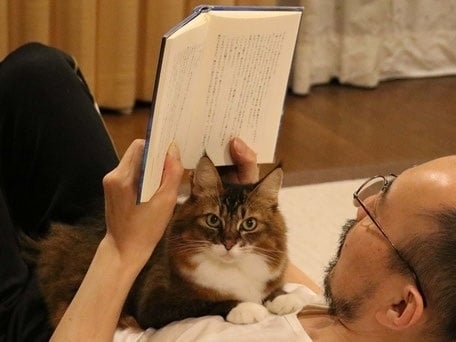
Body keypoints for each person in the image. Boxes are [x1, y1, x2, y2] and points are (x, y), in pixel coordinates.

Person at [0, 43, 454, 342]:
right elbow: (273, 272)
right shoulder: (351, 311)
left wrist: (120, 250)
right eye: (381, 188)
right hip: (122, 260)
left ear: (401, 306)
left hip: (75, 317)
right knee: (37, 72)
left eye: (378, 215)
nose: (361, 206)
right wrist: (247, 196)